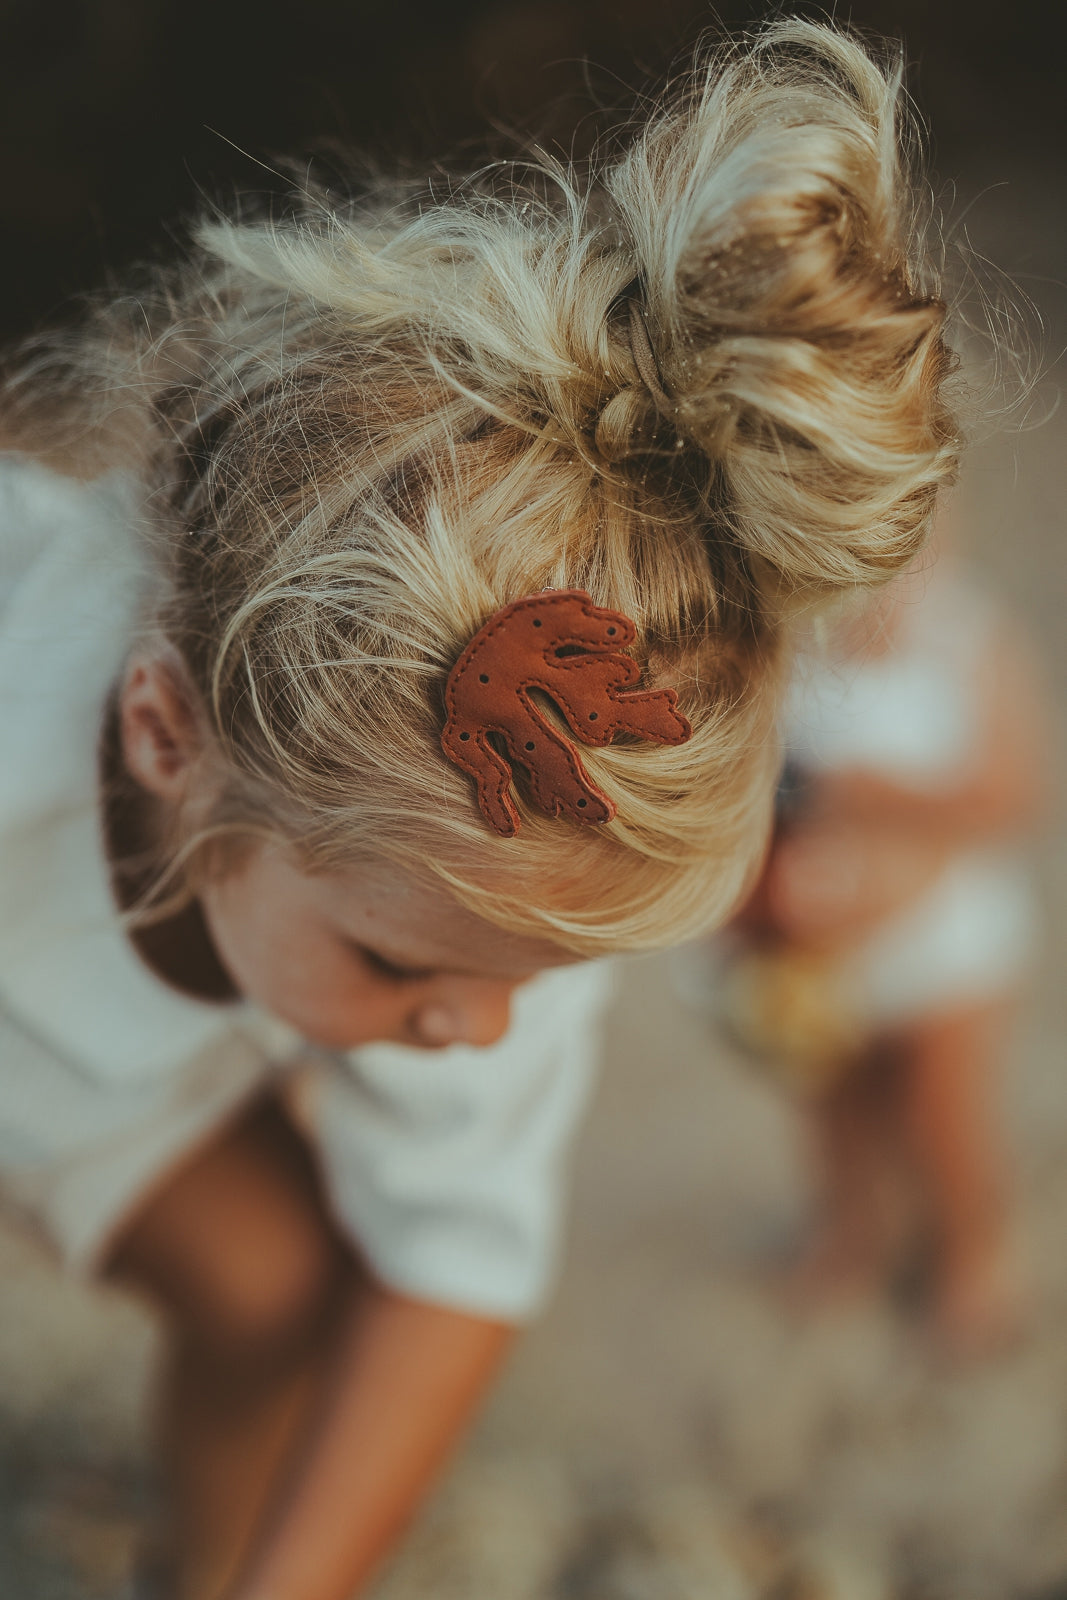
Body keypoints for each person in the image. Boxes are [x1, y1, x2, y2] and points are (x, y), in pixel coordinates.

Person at [0, 21, 959, 1600]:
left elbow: (447, 1268)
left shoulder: (483, 920)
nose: (480, 1035)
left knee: (277, 1283)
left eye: (532, 987)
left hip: (106, 1099)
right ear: (167, 732)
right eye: (399, 971)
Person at [712, 547, 1043, 1354]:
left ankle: (969, 1252)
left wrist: (878, 796)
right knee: (833, 1116)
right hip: (809, 950)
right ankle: (850, 1234)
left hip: (943, 951)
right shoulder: (777, 643)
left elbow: (1015, 795)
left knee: (942, 1120)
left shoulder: (968, 643)